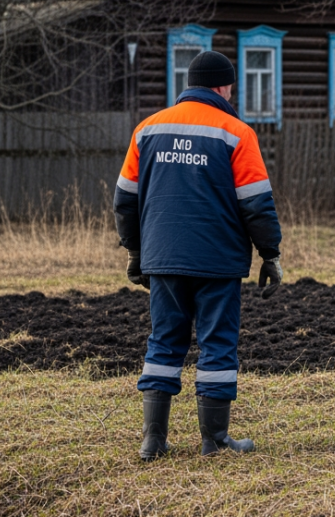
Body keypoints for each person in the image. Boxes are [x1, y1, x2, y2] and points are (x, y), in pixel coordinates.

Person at [113, 49, 283, 460]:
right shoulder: (237, 132)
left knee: (164, 341)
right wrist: (270, 253)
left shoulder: (146, 130)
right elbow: (256, 204)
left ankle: (153, 440)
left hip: (163, 256)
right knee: (217, 342)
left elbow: (124, 200)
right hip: (218, 259)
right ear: (224, 86)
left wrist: (136, 251)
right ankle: (215, 440)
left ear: (188, 85)